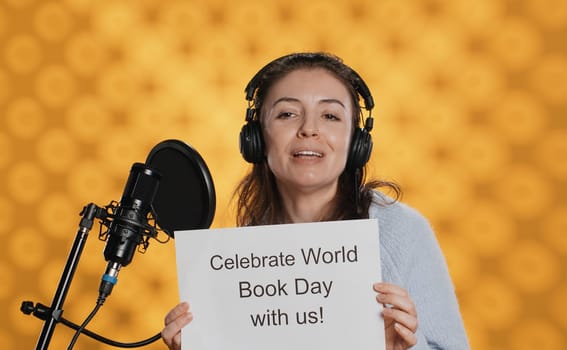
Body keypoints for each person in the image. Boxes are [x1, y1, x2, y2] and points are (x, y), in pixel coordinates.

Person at [161, 52, 470, 349]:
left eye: (330, 116)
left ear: (356, 141)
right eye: (287, 114)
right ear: (255, 137)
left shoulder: (402, 231)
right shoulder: (235, 262)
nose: (309, 129)